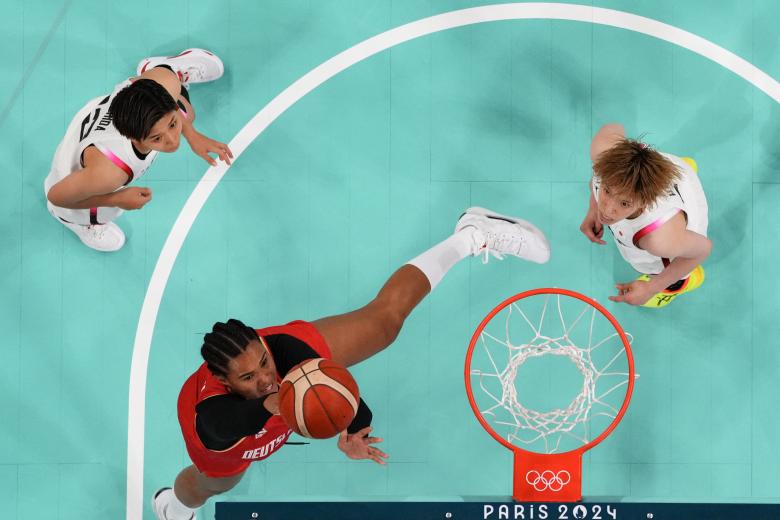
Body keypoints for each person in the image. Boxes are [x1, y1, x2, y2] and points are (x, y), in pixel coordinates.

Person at [151, 206, 551, 520]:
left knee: (384, 323)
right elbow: (230, 422)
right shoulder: (213, 420)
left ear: (262, 342)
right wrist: (273, 402)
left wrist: (354, 429)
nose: (265, 378)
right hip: (238, 443)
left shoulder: (284, 351)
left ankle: (471, 235)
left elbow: (347, 398)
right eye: (249, 376)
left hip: (282, 387)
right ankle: (176, 508)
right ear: (225, 380)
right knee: (210, 487)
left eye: (263, 361)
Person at [44, 48, 233, 251]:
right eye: (157, 138)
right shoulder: (109, 174)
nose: (173, 141)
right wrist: (116, 198)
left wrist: (192, 134)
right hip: (75, 173)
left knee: (187, 113)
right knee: (86, 210)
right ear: (133, 137)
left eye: (172, 124)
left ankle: (153, 68)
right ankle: (76, 222)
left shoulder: (164, 82)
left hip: (111, 114)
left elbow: (169, 97)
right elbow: (56, 197)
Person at [580, 123, 711, 308]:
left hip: (675, 231)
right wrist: (592, 209)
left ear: (647, 201)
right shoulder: (603, 154)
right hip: (671, 167)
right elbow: (615, 127)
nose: (607, 211)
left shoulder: (659, 240)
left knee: (673, 277)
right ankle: (680, 168)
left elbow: (703, 249)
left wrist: (652, 288)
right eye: (607, 191)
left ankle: (687, 282)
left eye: (624, 204)